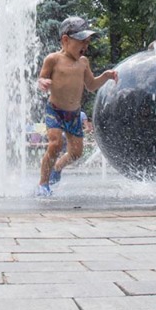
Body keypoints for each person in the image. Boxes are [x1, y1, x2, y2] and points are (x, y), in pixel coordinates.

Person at [36, 16, 118, 196]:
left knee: (76, 153)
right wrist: (42, 82)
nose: (85, 47)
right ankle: (43, 184)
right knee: (55, 144)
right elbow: (41, 78)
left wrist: (105, 76)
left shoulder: (83, 63)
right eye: (82, 42)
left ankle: (58, 167)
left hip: (74, 114)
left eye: (87, 42)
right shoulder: (53, 59)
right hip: (55, 111)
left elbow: (91, 86)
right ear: (65, 40)